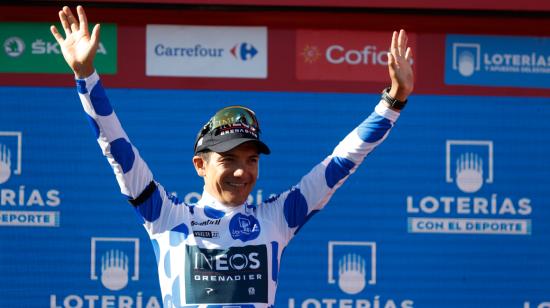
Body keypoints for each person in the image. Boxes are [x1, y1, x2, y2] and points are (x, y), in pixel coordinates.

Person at [51, 5, 413, 308]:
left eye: (251, 160)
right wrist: (86, 76)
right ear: (200, 165)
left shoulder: (278, 218)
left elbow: (341, 162)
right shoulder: (166, 216)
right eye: (228, 159)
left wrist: (393, 102)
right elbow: (116, 147)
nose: (242, 172)